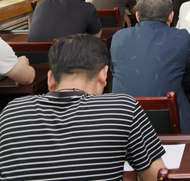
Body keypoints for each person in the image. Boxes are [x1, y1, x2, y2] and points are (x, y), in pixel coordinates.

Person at [0, 34, 166, 180]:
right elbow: (156, 176)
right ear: (103, 75)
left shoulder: (12, 113)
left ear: (50, 79)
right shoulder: (123, 109)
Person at [111, 0, 190, 134]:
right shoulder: (182, 38)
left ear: (137, 16)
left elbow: (114, 71)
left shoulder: (118, 37)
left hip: (123, 125)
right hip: (169, 124)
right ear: (171, 16)